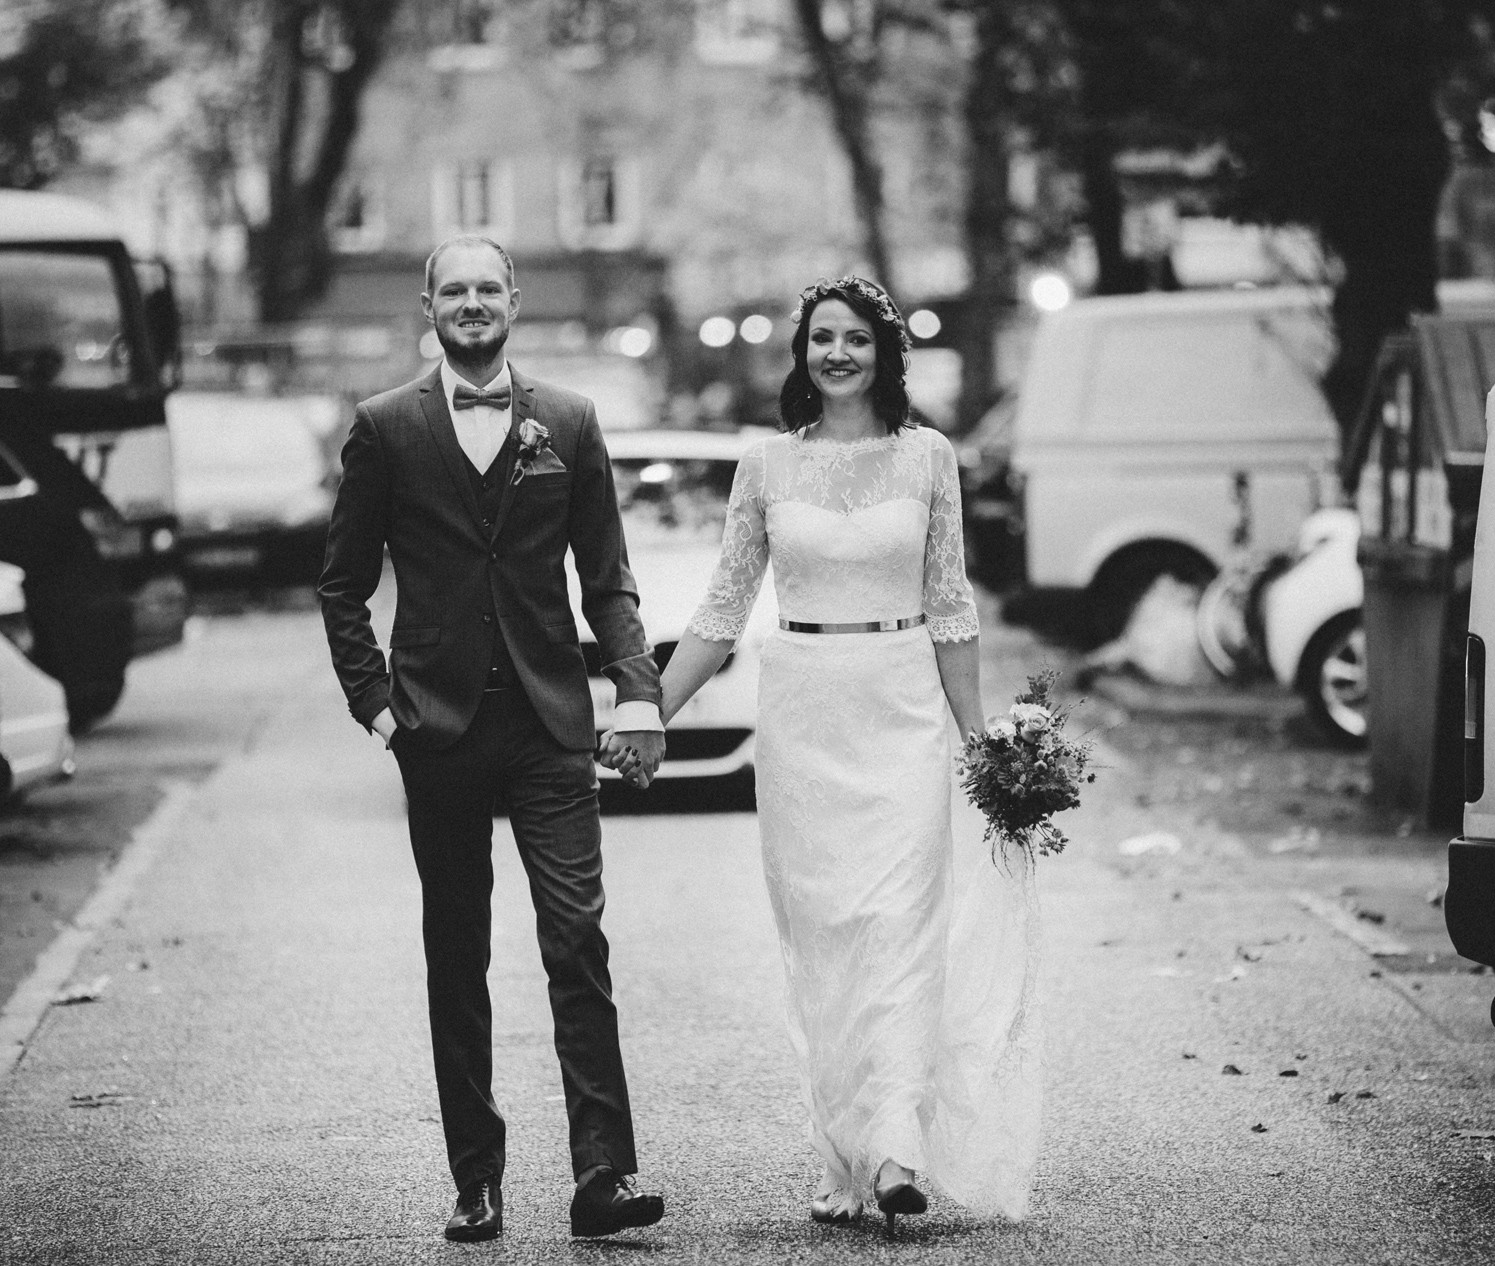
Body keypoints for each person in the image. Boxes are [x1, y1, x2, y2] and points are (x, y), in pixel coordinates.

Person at [658, 277, 1043, 1231]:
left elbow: (951, 607)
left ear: (883, 354)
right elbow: (721, 609)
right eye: (821, 339)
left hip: (901, 700)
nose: (837, 354)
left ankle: (900, 1147)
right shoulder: (765, 466)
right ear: (802, 355)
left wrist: (980, 742)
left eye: (855, 340)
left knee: (903, 924)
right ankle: (844, 1152)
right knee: (826, 936)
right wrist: (647, 713)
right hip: (803, 711)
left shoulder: (928, 459)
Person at [319, 235, 667, 1243]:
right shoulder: (384, 426)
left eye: (488, 288)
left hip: (550, 720)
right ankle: (476, 1176)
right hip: (437, 727)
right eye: (453, 290)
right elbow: (342, 585)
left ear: (515, 299)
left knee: (576, 940)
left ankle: (604, 1173)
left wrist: (634, 692)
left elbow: (607, 577)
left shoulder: (569, 419)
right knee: (456, 952)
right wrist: (378, 705)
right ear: (427, 306)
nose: (472, 303)